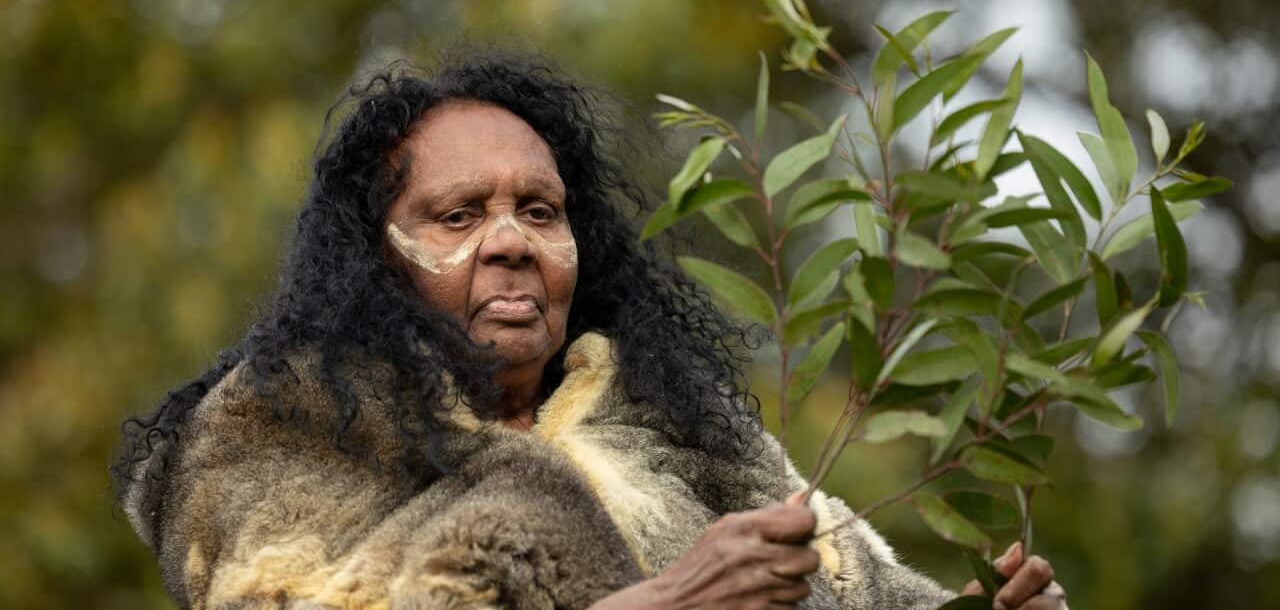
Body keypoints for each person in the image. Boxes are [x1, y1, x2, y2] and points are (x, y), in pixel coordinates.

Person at [114, 53, 1068, 610]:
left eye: (540, 210)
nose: (511, 243)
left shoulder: (685, 431)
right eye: (459, 216)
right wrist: (667, 600)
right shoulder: (278, 431)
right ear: (377, 255)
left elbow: (868, 593)